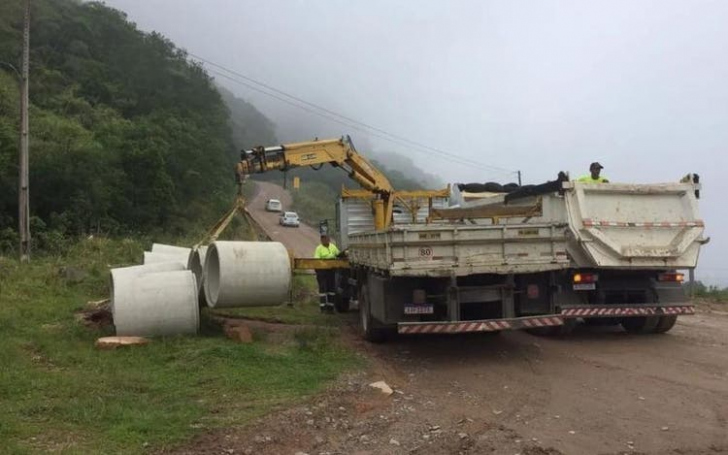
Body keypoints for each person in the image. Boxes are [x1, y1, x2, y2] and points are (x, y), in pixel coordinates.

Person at [314, 234, 340, 313]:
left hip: (331, 271)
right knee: (322, 288)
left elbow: (338, 254)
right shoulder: (319, 248)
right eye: (322, 240)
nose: (324, 241)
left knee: (331, 288)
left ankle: (330, 308)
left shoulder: (333, 247)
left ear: (329, 239)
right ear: (321, 240)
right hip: (322, 271)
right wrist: (329, 257)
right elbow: (316, 259)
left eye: (326, 239)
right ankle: (323, 308)